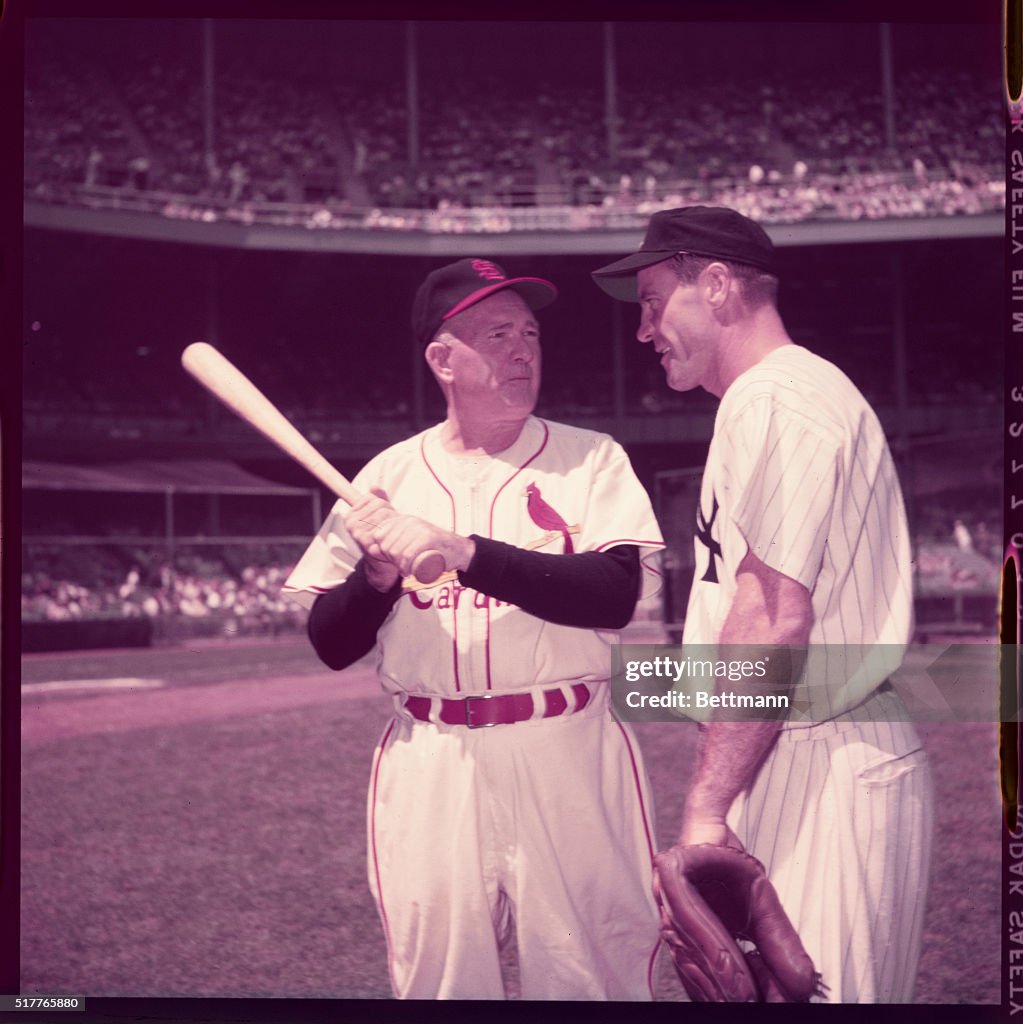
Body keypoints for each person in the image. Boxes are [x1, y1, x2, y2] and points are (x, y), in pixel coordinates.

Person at [283, 258, 665, 1000]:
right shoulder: (385, 479)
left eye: (529, 334)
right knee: (441, 983)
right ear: (442, 359)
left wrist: (462, 552)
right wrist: (376, 579)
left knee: (596, 975)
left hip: (566, 750)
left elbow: (613, 595)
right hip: (432, 760)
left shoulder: (591, 459)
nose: (523, 350)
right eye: (496, 335)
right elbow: (331, 644)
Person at [592, 206, 933, 1003]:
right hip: (793, 750)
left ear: (715, 286)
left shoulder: (775, 397)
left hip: (825, 755)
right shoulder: (769, 397)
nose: (643, 331)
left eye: (651, 300)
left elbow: (775, 614)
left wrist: (704, 813)